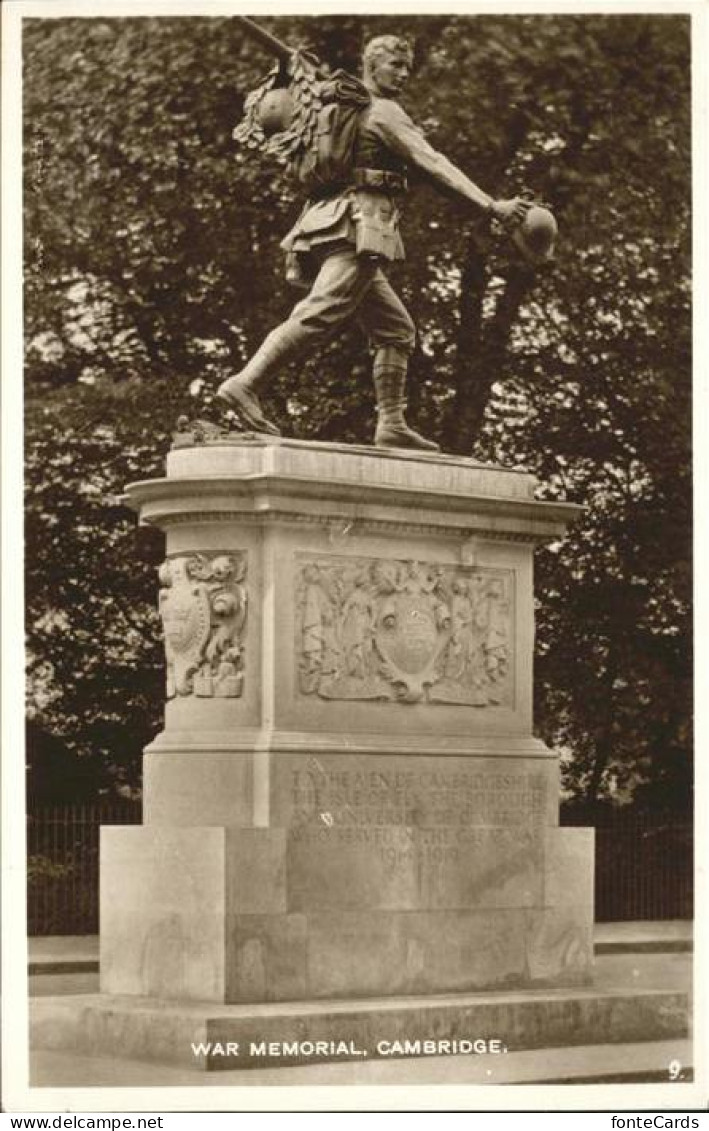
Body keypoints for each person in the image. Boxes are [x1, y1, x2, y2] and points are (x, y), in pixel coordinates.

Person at [218, 34, 531, 451]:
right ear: (371, 66)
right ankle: (246, 383)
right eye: (394, 66)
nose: (402, 75)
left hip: (324, 223)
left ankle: (391, 423)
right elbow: (432, 162)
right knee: (321, 311)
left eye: (407, 68)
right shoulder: (382, 112)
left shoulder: (338, 109)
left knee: (396, 330)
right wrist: (491, 206)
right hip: (359, 226)